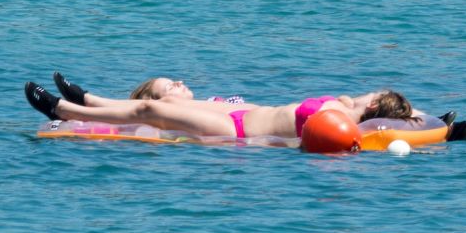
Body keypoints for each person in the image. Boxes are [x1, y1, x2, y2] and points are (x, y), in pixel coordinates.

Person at [22, 75, 419, 142]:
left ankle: (65, 111)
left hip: (239, 133)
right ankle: (89, 99)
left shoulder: (343, 121)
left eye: (373, 95)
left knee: (149, 111)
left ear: (376, 106)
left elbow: (398, 126)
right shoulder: (346, 105)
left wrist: (417, 122)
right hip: (240, 115)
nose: (365, 93)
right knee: (165, 103)